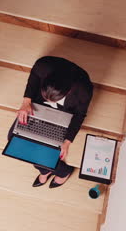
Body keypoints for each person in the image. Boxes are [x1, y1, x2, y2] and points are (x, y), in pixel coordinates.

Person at [8, 56, 93, 188]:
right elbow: (34, 77)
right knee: (14, 139)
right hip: (37, 106)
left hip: (63, 113)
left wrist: (67, 141)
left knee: (48, 148)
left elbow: (79, 115)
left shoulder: (83, 89)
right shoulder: (43, 65)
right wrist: (26, 102)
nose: (50, 101)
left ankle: (48, 171)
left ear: (69, 91)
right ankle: (57, 171)